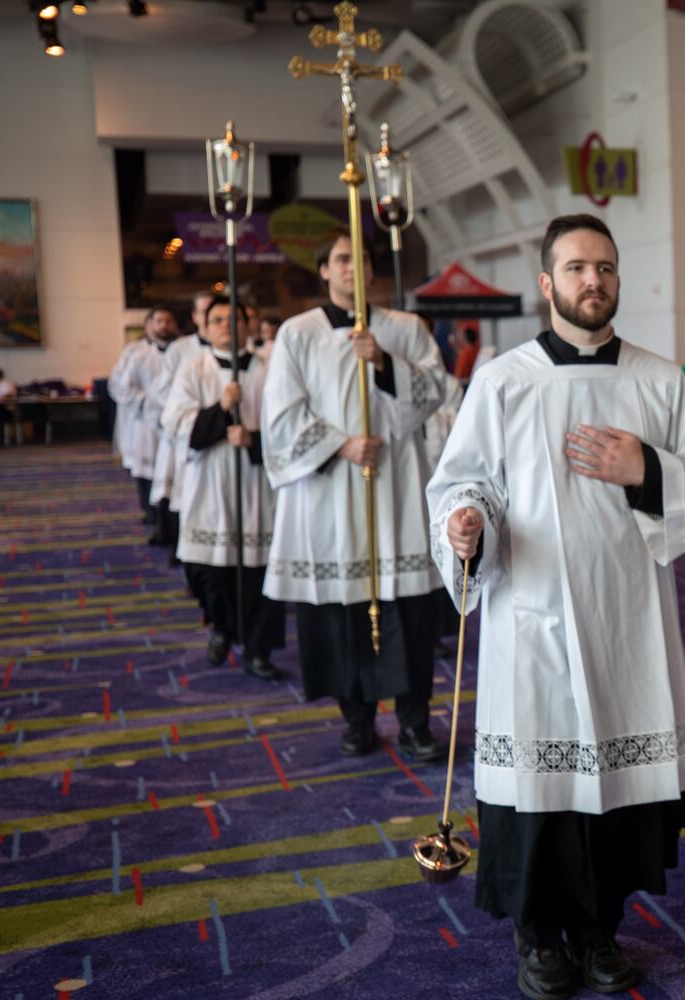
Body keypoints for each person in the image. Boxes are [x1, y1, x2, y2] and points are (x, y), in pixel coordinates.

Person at [429, 214, 685, 1000]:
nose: (592, 281)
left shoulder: (659, 381)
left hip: (628, 617)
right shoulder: (503, 381)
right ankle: (539, 940)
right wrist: (466, 521)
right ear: (546, 284)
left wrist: (647, 469)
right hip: (532, 618)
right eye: (575, 269)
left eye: (604, 268)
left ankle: (600, 932)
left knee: (619, 798)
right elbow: (466, 481)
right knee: (540, 795)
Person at [261, 233, 461, 762]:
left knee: (410, 615)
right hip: (331, 493)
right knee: (342, 617)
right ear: (323, 270)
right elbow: (280, 416)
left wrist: (385, 364)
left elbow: (435, 392)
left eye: (363, 259)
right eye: (342, 260)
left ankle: (416, 723)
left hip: (395, 488)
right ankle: (358, 718)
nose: (354, 268)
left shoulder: (405, 328)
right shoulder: (297, 333)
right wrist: (341, 444)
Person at [163, 297, 282, 681]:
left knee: (259, 572)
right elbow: (176, 423)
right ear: (204, 327)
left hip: (256, 482)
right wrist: (218, 409)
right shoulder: (193, 368)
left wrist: (254, 438)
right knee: (207, 569)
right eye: (217, 320)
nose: (226, 326)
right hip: (210, 480)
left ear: (249, 324)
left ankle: (259, 649)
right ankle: (222, 626)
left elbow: (291, 423)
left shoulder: (271, 369)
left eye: (235, 319)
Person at [151, 291, 215, 560]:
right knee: (184, 494)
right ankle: (182, 548)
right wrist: (188, 411)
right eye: (204, 312)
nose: (211, 318)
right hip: (186, 431)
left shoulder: (231, 345)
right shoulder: (181, 348)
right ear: (195, 316)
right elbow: (162, 389)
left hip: (220, 431)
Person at [109, 307, 180, 534]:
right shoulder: (137, 353)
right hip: (145, 422)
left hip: (175, 419)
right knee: (147, 471)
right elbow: (120, 385)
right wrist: (147, 402)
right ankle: (152, 514)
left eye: (168, 320)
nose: (164, 325)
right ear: (149, 325)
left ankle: (170, 519)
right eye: (159, 320)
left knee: (172, 471)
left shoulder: (183, 351)